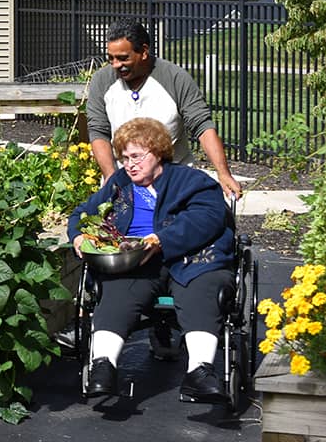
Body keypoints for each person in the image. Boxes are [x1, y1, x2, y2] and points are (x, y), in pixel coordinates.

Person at [68, 117, 234, 402]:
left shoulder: (192, 181)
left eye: (136, 156)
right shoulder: (120, 184)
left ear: (157, 151)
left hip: (191, 257)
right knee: (117, 289)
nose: (129, 164)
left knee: (203, 288)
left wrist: (162, 240)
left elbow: (209, 217)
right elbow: (83, 212)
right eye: (124, 158)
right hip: (136, 260)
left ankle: (200, 372)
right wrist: (79, 236)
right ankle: (103, 366)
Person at [86, 19, 242, 199]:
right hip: (125, 181)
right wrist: (111, 178)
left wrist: (223, 173)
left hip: (174, 179)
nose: (115, 65)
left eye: (123, 58)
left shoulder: (174, 78)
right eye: (111, 58)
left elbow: (202, 126)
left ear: (144, 51)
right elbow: (99, 131)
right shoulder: (102, 81)